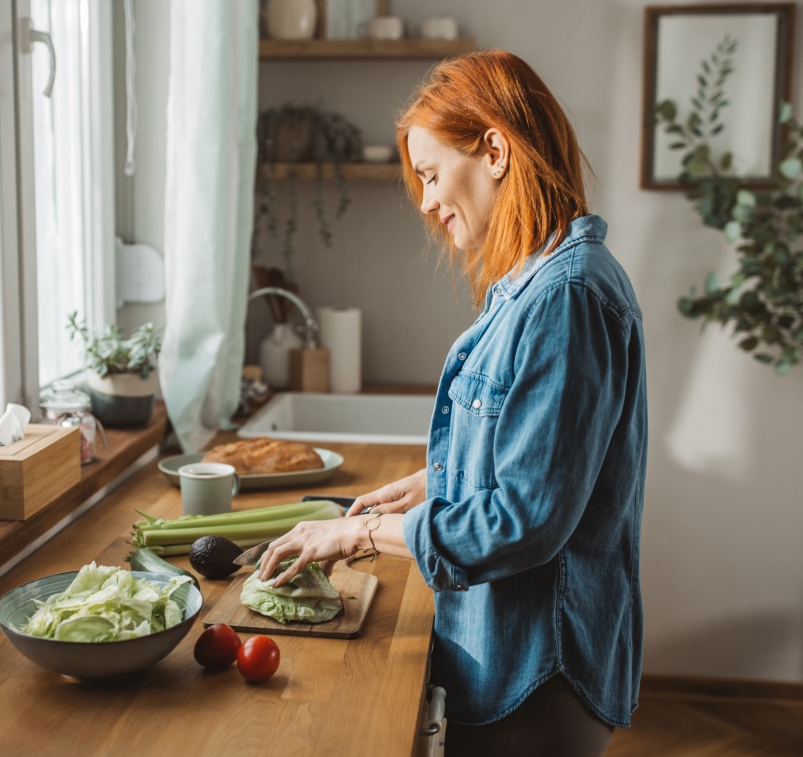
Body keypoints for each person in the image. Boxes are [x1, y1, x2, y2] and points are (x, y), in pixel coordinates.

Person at [257, 50, 647, 756]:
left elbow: (526, 519)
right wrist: (424, 487)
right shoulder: (534, 285)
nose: (429, 203)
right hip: (509, 652)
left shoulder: (566, 297)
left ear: (495, 150)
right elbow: (522, 462)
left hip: (537, 665)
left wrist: (361, 536)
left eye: (433, 175)